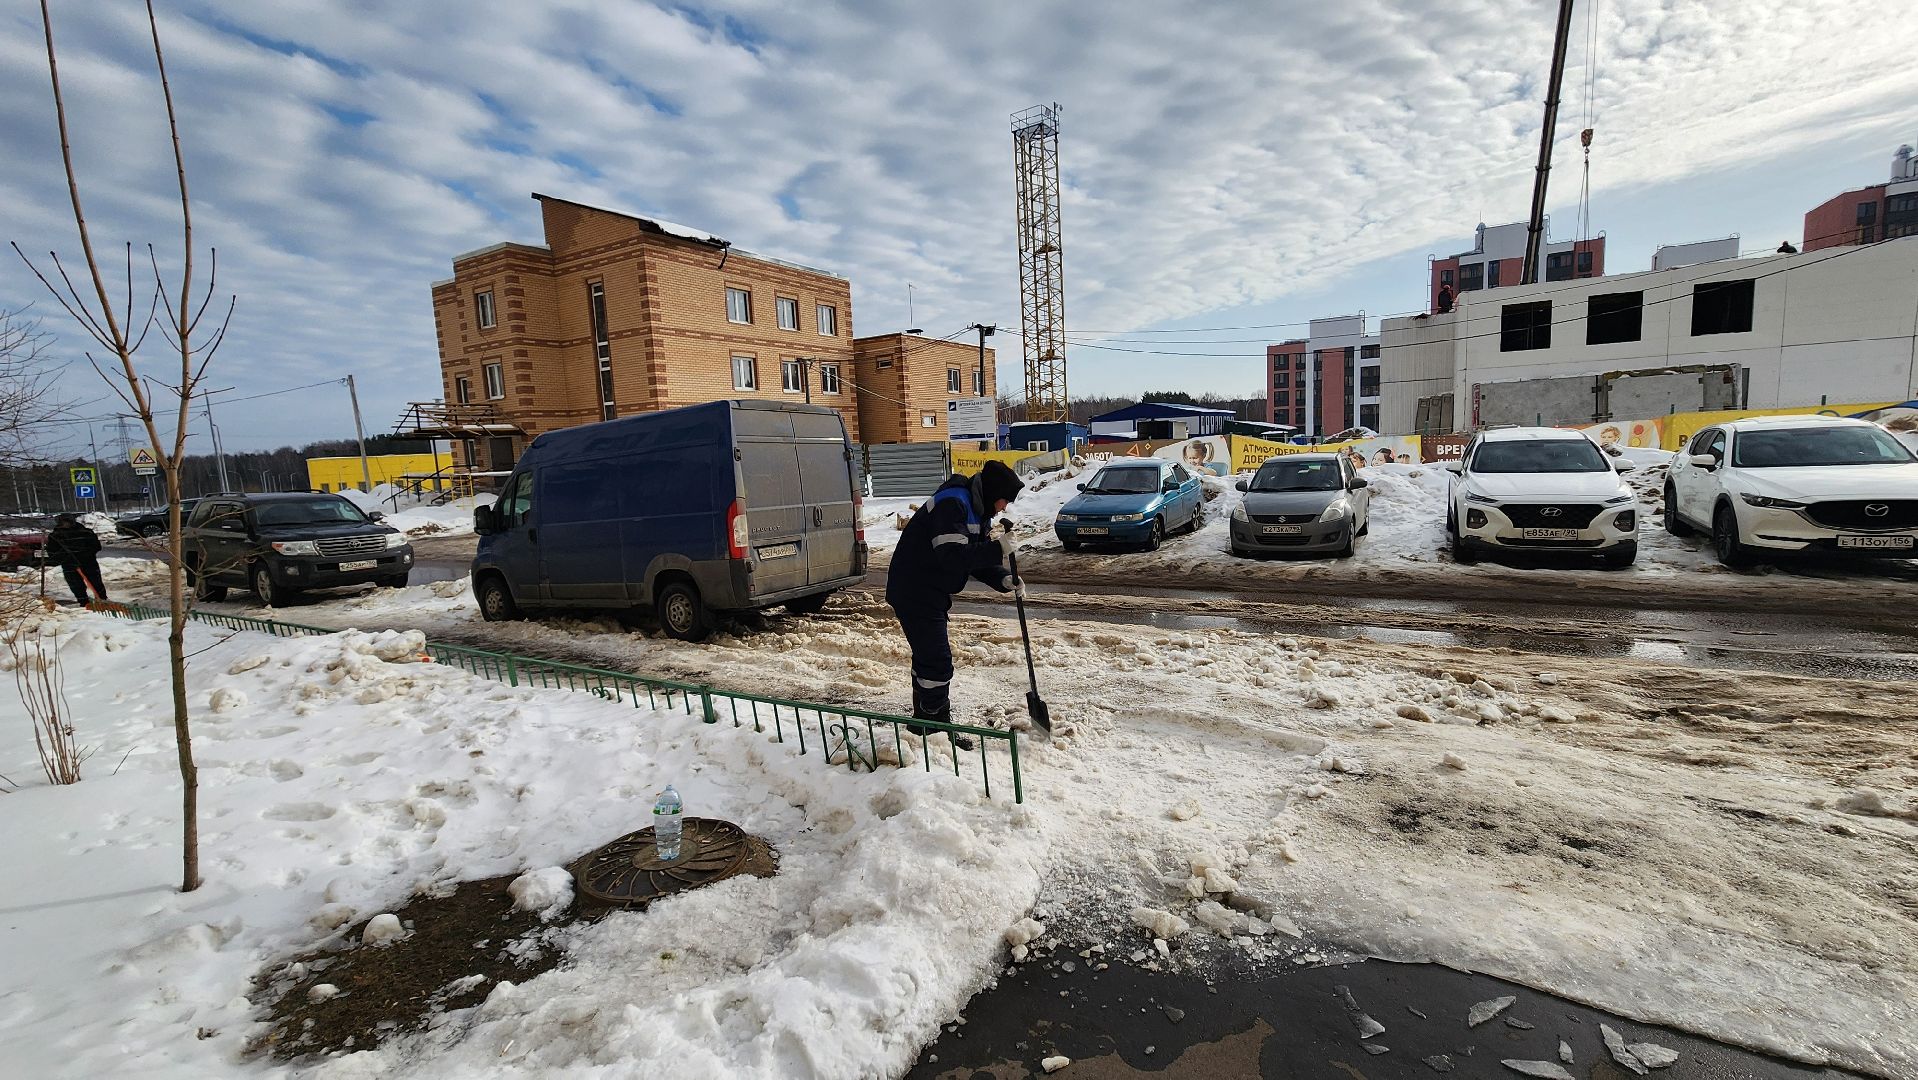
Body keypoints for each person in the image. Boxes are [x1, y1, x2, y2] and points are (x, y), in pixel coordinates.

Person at [886, 459, 1025, 749]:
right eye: (1004, 500)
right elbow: (952, 556)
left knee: (928, 660)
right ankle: (936, 730)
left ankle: (924, 724)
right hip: (915, 589)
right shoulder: (953, 504)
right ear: (992, 492)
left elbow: (972, 557)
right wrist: (997, 548)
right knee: (937, 661)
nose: (1004, 508)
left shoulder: (977, 509)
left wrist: (1003, 579)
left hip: (929, 590)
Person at [46, 513, 107, 605]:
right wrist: (64, 558)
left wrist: (85, 555)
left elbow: (96, 546)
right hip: (69, 565)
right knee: (76, 585)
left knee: (96, 582)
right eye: (63, 522)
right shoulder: (55, 536)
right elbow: (52, 552)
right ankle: (84, 602)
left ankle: (102, 600)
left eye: (67, 522)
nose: (65, 524)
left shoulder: (85, 532)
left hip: (88, 562)